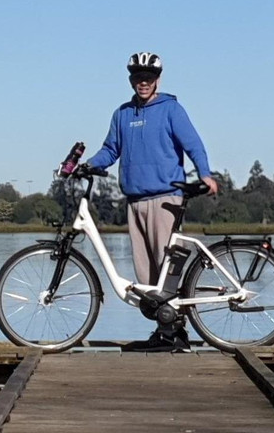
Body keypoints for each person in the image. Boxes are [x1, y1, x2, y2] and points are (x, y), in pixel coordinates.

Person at [83, 51, 218, 352]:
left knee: (166, 268)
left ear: (157, 80)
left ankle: (176, 332)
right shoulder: (122, 114)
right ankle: (165, 330)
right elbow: (110, 149)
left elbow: (193, 144)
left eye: (148, 78)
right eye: (137, 77)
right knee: (146, 275)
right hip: (135, 200)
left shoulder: (171, 109)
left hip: (165, 198)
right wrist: (90, 164)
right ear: (131, 80)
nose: (142, 82)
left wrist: (205, 174)